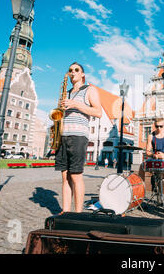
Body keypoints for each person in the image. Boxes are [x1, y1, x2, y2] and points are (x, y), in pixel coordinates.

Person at [55, 62, 102, 214]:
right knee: (65, 176)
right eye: (70, 70)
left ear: (82, 74)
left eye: (76, 70)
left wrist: (76, 104)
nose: (73, 72)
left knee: (76, 175)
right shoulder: (66, 93)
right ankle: (66, 211)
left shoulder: (90, 90)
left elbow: (98, 112)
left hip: (78, 136)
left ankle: (78, 213)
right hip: (63, 135)